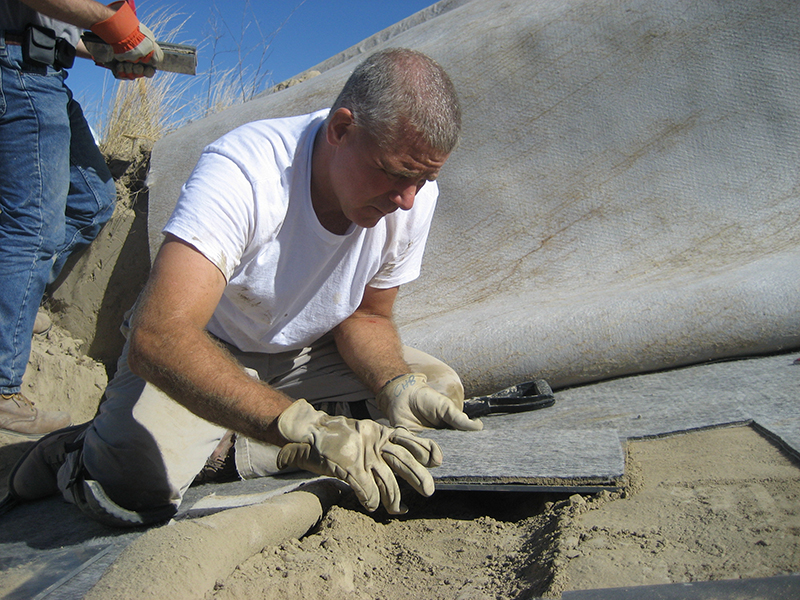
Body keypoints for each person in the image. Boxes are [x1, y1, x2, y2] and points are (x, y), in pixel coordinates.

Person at [2, 48, 483, 526]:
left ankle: (245, 443)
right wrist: (305, 426)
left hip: (303, 355)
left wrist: (394, 385)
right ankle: (76, 451)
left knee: (436, 395)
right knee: (135, 477)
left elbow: (368, 316)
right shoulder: (245, 171)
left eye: (423, 179)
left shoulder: (412, 192)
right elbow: (159, 335)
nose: (407, 200)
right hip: (202, 350)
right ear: (340, 130)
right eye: (398, 174)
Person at [0, 0, 163, 437]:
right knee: (33, 228)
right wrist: (110, 23)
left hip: (42, 71)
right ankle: (2, 388)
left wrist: (111, 47)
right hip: (18, 68)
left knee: (91, 199)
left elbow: (52, 22)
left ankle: (10, 304)